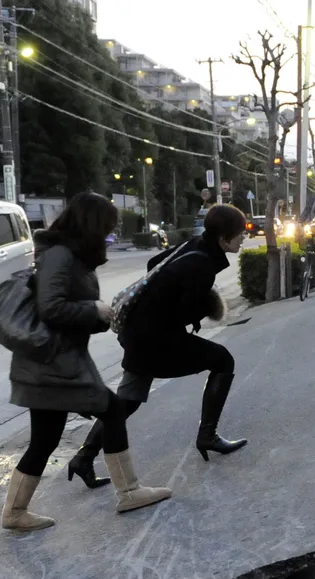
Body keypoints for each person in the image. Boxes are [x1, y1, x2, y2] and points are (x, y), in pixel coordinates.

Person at [3, 191, 171, 530]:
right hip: (54, 365)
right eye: (108, 227)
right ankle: (129, 491)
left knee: (45, 439)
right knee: (112, 409)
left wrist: (101, 317)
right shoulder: (61, 256)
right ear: (93, 224)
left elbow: (66, 311)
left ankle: (14, 512)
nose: (110, 234)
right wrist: (93, 309)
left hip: (52, 363)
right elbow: (50, 309)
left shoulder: (68, 255)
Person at [66, 203, 249, 488]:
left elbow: (155, 266)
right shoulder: (201, 265)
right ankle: (207, 436)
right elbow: (182, 312)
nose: (243, 238)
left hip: (141, 333)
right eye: (240, 234)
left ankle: (83, 458)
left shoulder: (194, 246)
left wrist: (170, 297)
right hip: (155, 339)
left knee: (127, 401)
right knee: (223, 360)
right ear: (223, 238)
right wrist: (198, 306)